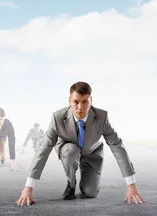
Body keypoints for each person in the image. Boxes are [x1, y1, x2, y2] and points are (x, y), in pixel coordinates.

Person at [15, 81, 145, 206]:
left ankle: (86, 180)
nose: (80, 107)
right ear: (69, 101)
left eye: (85, 102)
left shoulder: (102, 117)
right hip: (69, 150)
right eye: (76, 102)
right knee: (71, 151)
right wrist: (28, 187)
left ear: (91, 101)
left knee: (90, 193)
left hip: (91, 153)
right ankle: (71, 184)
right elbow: (43, 149)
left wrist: (131, 185)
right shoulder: (57, 117)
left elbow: (117, 145)